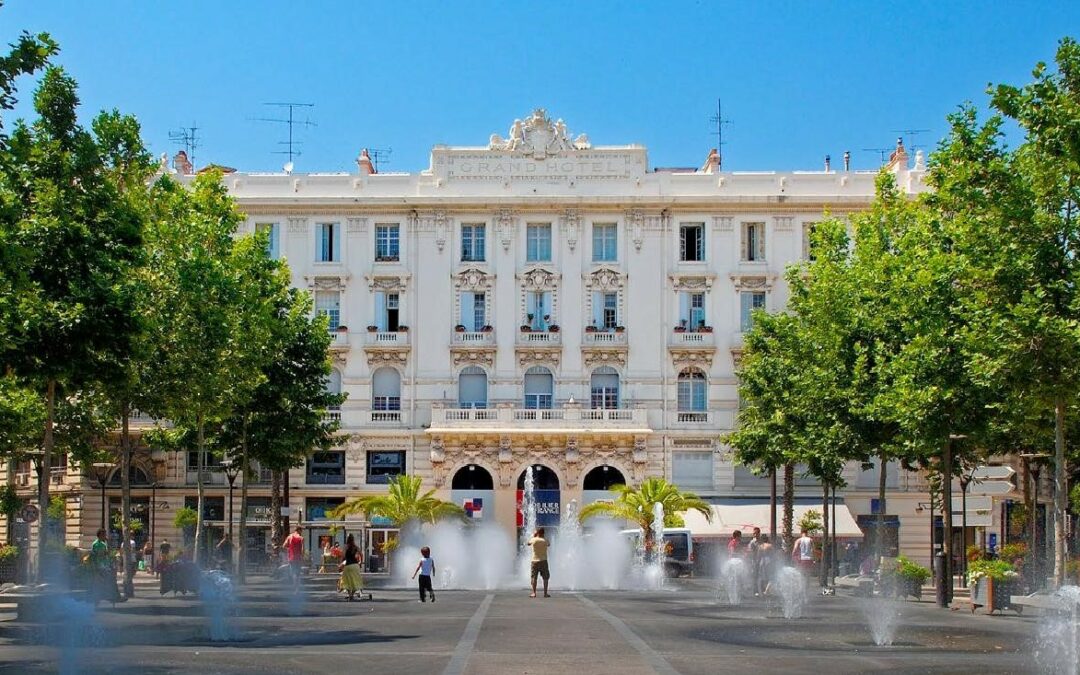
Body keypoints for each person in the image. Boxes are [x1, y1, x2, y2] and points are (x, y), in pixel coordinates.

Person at [90, 529, 123, 604]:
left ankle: (112, 596)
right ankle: (114, 597)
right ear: (100, 535)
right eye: (104, 535)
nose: (105, 536)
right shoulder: (97, 544)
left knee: (111, 580)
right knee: (111, 580)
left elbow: (108, 552)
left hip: (104, 565)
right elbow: (98, 554)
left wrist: (108, 543)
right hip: (100, 565)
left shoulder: (103, 543)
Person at [339, 534, 364, 601]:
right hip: (355, 566)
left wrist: (341, 564)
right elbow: (361, 554)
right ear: (353, 539)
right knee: (356, 581)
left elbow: (342, 556)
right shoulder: (355, 547)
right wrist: (360, 562)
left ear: (347, 539)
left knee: (346, 581)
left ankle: (350, 594)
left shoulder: (345, 547)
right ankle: (352, 595)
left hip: (348, 565)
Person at [528, 527, 550, 598]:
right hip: (543, 561)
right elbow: (549, 544)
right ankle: (545, 593)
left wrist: (534, 536)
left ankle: (534, 593)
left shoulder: (533, 540)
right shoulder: (545, 540)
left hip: (534, 561)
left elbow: (528, 543)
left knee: (534, 577)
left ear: (537, 533)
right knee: (545, 578)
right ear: (543, 533)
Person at [747, 527, 762, 594]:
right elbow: (750, 552)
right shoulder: (752, 542)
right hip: (754, 561)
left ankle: (762, 590)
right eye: (754, 533)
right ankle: (755, 591)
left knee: (762, 576)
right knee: (755, 576)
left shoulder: (762, 541)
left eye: (756, 533)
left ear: (759, 533)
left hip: (761, 561)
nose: (755, 535)